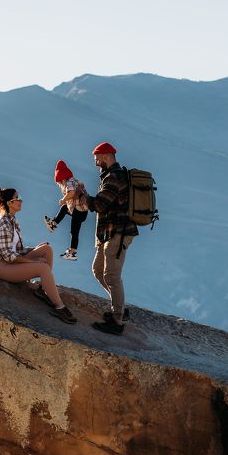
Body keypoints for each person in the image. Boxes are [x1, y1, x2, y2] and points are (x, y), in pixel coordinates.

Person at [0, 187, 76, 324]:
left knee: (46, 249)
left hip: (11, 261)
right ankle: (59, 307)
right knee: (43, 268)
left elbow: (18, 250)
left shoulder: (12, 221)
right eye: (18, 198)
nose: (21, 200)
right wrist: (33, 262)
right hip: (0, 266)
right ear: (9, 203)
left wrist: (34, 249)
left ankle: (42, 290)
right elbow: (8, 256)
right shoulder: (1, 224)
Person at [85, 142, 138, 335]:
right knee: (98, 270)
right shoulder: (111, 176)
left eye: (97, 158)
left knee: (111, 275)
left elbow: (100, 204)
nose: (96, 162)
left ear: (106, 156)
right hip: (110, 232)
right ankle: (120, 307)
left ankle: (117, 321)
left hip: (118, 233)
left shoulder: (114, 177)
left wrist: (83, 197)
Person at [43, 160, 89, 260]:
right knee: (64, 208)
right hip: (80, 211)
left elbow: (71, 193)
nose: (60, 185)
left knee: (74, 232)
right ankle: (53, 224)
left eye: (59, 182)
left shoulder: (70, 182)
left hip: (79, 212)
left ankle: (72, 253)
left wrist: (63, 200)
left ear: (63, 179)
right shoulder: (74, 181)